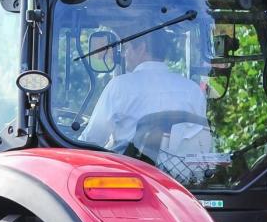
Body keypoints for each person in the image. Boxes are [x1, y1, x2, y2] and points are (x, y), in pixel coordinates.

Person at [80, 27, 208, 158]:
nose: (124, 55)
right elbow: (201, 142)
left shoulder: (120, 86)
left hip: (130, 174)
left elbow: (93, 139)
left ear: (141, 48)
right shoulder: (192, 89)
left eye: (127, 48)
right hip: (179, 175)